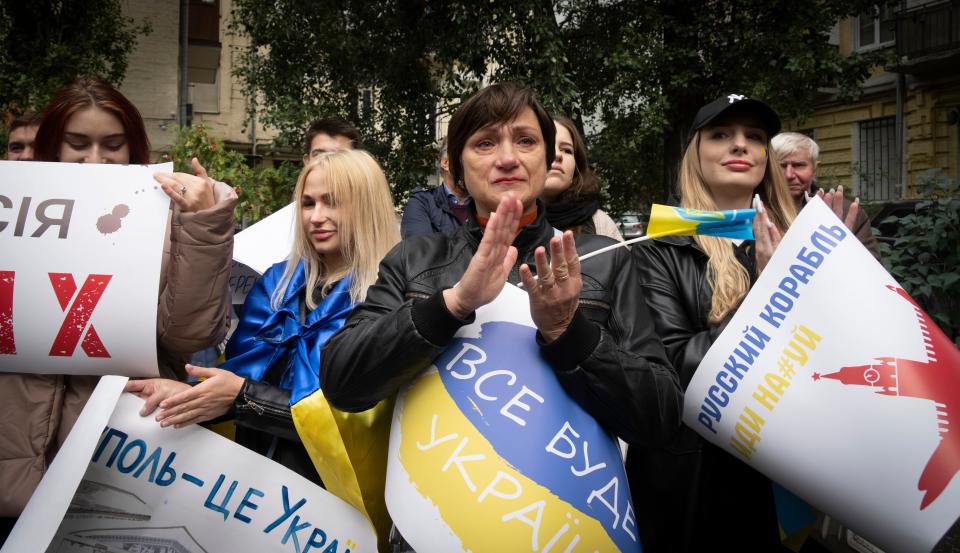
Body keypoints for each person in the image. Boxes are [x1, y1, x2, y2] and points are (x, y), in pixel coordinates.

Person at [321, 83, 681, 451]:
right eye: (485, 143)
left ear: (547, 160)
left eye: (526, 141)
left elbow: (662, 418)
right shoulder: (413, 259)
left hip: (563, 501)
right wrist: (452, 305)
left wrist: (567, 332)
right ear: (457, 165)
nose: (508, 158)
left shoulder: (605, 260)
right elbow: (342, 383)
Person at [0, 77, 235, 537]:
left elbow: (188, 337)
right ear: (51, 146)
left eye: (112, 144)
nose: (95, 160)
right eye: (77, 143)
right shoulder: (10, 217)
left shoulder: (168, 225)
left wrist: (202, 227)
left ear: (135, 149)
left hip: (113, 467)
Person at [125, 149, 400, 487]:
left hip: (339, 489)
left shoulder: (391, 298)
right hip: (255, 479)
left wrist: (244, 397)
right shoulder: (276, 283)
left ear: (367, 206)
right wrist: (181, 393)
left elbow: (360, 420)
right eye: (308, 203)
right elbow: (235, 382)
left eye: (334, 202)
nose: (316, 217)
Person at [629, 94, 796, 552]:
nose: (740, 145)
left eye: (754, 137)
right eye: (721, 135)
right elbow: (677, 367)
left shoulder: (804, 241)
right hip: (695, 479)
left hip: (788, 467)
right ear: (695, 154)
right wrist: (773, 288)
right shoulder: (657, 249)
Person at [771, 131, 880, 260]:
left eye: (798, 165)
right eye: (781, 166)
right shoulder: (752, 211)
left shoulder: (846, 213)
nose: (789, 175)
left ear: (816, 169)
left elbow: (870, 270)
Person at [543, 116, 622, 241]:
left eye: (567, 150)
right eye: (548, 146)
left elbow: (621, 260)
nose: (557, 154)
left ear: (576, 167)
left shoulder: (599, 222)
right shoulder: (504, 221)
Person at [400, 137, 470, 237]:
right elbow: (419, 250)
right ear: (446, 163)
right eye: (463, 155)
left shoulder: (487, 203)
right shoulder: (422, 203)